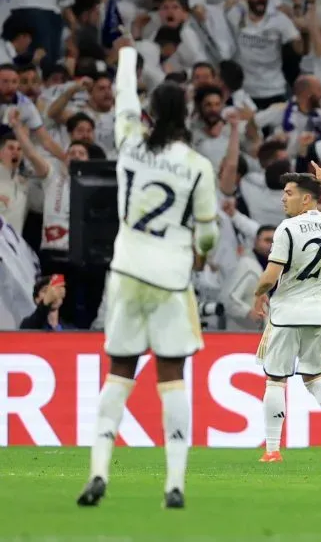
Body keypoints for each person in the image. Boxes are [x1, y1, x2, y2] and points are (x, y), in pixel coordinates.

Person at [78, 42, 220, 510]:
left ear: (152, 114)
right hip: (170, 280)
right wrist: (198, 252)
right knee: (172, 376)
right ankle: (174, 483)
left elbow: (123, 102)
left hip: (124, 271)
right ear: (190, 115)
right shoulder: (198, 167)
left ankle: (99, 471)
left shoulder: (131, 145)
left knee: (119, 371)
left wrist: (125, 58)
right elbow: (207, 236)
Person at [252, 165, 321, 464]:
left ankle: (272, 450)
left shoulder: (287, 228)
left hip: (286, 313)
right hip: (319, 314)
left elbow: (271, 276)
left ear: (306, 199)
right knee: (315, 377)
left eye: (289, 194)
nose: (283, 199)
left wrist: (258, 294)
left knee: (275, 379)